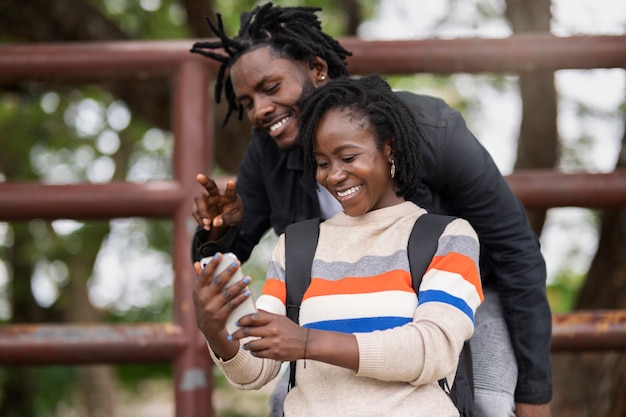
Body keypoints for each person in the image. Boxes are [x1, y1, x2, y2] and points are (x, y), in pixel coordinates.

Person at [189, 3, 553, 417]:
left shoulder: (431, 131)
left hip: (451, 297)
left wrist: (535, 393)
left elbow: (516, 251)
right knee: (282, 402)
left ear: (317, 67)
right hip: (335, 306)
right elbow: (229, 266)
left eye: (271, 88)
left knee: (488, 402)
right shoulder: (267, 154)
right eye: (247, 102)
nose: (260, 110)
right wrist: (217, 234)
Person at [192, 74, 484, 417]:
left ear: (389, 147)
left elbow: (433, 351)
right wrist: (217, 335)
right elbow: (257, 369)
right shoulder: (296, 246)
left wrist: (307, 342)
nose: (334, 176)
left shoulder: (446, 237)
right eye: (322, 163)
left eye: (348, 157)